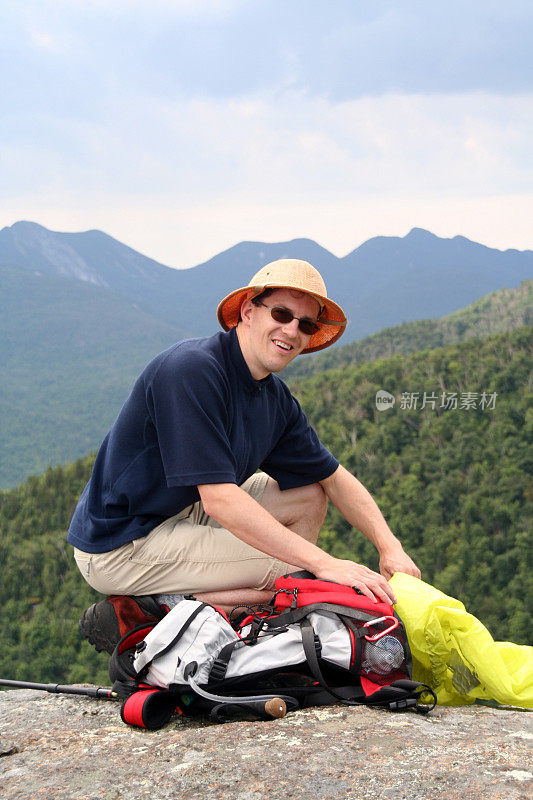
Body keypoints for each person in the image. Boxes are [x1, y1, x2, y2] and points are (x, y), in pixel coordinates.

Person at [68, 258, 420, 652]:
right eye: (282, 313)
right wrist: (322, 564)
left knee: (308, 494)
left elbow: (333, 477)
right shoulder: (192, 371)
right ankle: (159, 612)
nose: (292, 330)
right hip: (123, 544)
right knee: (294, 572)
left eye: (305, 324)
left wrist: (390, 547)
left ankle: (253, 614)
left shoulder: (273, 399)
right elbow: (219, 499)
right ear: (249, 311)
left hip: (181, 508)